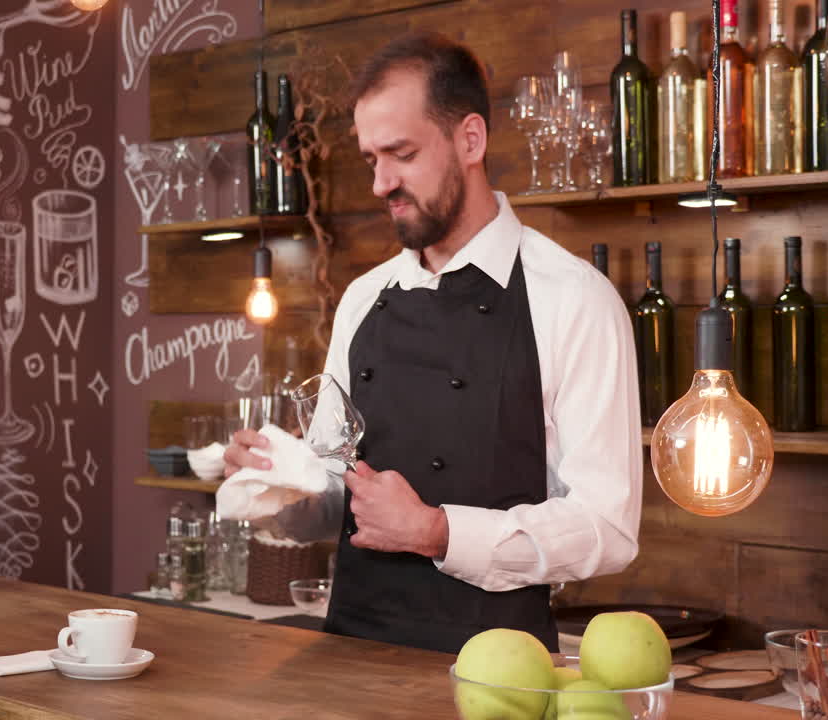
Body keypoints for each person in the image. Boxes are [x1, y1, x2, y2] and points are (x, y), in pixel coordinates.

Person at [224, 33, 642, 654]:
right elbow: (335, 497)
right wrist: (278, 485)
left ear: (469, 139)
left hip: (501, 671)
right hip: (347, 657)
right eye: (371, 159)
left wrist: (436, 531)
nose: (380, 182)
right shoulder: (364, 300)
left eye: (401, 154)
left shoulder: (575, 300)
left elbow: (606, 528)